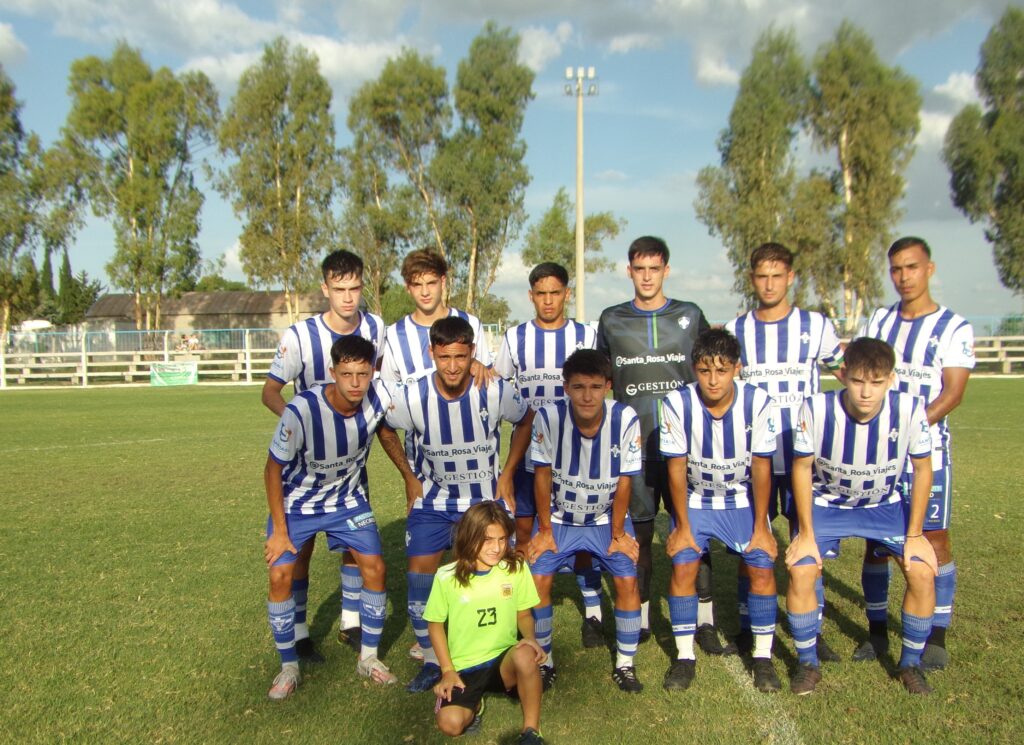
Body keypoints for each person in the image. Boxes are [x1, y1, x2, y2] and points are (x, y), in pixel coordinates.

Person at [382, 316, 534, 693]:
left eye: (461, 357)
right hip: (433, 501)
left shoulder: (493, 389)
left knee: (505, 574)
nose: (452, 366)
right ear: (431, 353)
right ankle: (432, 662)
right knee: (420, 575)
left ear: (472, 354)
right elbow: (384, 427)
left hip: (484, 499)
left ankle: (508, 654)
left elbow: (526, 418)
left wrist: (508, 472)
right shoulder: (413, 394)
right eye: (444, 357)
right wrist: (409, 476)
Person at [596, 236, 730, 653]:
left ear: (666, 271)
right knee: (639, 537)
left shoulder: (690, 314)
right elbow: (599, 379)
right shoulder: (611, 319)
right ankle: (641, 619)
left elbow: (716, 366)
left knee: (693, 533)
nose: (647, 276)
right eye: (640, 269)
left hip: (685, 450)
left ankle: (705, 620)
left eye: (654, 268)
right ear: (629, 271)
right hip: (634, 451)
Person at [785, 337, 938, 695]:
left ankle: (910, 663)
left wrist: (916, 534)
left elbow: (923, 469)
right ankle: (807, 662)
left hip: (884, 505)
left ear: (890, 379)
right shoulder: (816, 408)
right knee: (801, 569)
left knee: (922, 571)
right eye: (857, 381)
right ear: (843, 376)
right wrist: (805, 533)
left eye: (876, 382)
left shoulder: (911, 409)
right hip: (828, 505)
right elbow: (802, 467)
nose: (866, 392)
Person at [262, 336, 407, 699]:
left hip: (347, 502)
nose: (355, 383)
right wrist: (279, 530)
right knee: (280, 574)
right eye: (346, 374)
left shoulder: (379, 395)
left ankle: (368, 658)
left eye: (363, 373)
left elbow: (424, 387)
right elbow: (272, 468)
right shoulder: (302, 410)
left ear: (372, 372)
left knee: (376, 568)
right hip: (298, 504)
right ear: (332, 372)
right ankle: (289, 666)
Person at [856, 237, 974, 670]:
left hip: (929, 455)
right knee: (876, 544)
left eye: (912, 267)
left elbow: (953, 392)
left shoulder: (954, 327)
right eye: (896, 269)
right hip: (880, 456)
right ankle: (876, 632)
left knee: (934, 540)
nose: (903, 277)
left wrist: (912, 431)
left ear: (929, 269)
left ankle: (936, 635)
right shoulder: (880, 320)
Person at [262, 250, 385, 661]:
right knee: (302, 550)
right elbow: (270, 392)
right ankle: (298, 632)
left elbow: (378, 381)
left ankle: (351, 623)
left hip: (350, 462)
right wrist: (304, 426)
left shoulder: (375, 327)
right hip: (306, 465)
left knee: (354, 542)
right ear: (325, 288)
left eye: (354, 288)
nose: (348, 297)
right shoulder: (299, 336)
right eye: (339, 289)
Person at [725, 243, 843, 660]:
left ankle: (812, 627)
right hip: (753, 456)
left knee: (805, 540)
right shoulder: (736, 329)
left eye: (777, 276)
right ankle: (747, 625)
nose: (770, 284)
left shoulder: (816, 325)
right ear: (751, 279)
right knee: (751, 540)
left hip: (803, 458)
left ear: (791, 277)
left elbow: (847, 374)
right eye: (762, 276)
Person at [659, 329, 781, 693]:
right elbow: (676, 468)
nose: (713, 380)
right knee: (683, 564)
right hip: (697, 499)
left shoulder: (758, 401)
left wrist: (761, 527)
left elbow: (762, 467)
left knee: (761, 564)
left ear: (736, 369)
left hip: (741, 498)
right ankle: (684, 657)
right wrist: (682, 526)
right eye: (704, 370)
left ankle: (763, 657)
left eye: (722, 370)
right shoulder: (677, 403)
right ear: (694, 369)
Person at [493, 262, 605, 645]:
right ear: (531, 296)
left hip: (579, 457)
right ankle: (525, 609)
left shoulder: (586, 335)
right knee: (524, 531)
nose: (548, 300)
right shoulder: (515, 337)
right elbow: (497, 383)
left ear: (566, 294)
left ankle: (593, 611)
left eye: (555, 293)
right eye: (540, 294)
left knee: (584, 532)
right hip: (528, 456)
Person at [526, 349, 645, 693]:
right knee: (537, 579)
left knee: (627, 580)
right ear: (566, 387)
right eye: (578, 387)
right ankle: (545, 662)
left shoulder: (625, 418)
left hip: (606, 519)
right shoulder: (548, 417)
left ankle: (625, 664)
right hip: (559, 518)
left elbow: (625, 480)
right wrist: (544, 530)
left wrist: (618, 533)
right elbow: (542, 476)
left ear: (608, 386)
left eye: (595, 386)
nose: (587, 396)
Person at [424, 501, 545, 745]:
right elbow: (434, 626)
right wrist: (447, 671)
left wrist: (530, 638)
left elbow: (523, 614)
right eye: (487, 540)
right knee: (450, 725)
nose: (497, 548)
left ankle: (531, 731)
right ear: (470, 537)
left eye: (502, 539)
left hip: (503, 660)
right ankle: (475, 704)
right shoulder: (446, 577)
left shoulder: (515, 568)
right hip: (464, 668)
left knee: (525, 653)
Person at [379, 248, 492, 387]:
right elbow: (388, 390)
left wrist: (477, 366)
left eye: (431, 283)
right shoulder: (395, 334)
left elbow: (489, 379)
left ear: (443, 282)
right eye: (417, 285)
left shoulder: (472, 324)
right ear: (408, 287)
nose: (425, 292)